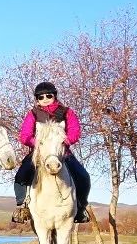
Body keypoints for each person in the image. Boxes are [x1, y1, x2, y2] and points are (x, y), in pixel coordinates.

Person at [12, 81, 91, 224]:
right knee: (20, 176)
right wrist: (38, 143)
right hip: (40, 152)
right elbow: (24, 135)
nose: (45, 99)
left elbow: (75, 131)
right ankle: (21, 206)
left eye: (48, 95)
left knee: (83, 176)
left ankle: (80, 208)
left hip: (62, 152)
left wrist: (64, 142)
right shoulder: (33, 114)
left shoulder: (67, 112)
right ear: (37, 99)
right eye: (40, 97)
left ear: (54, 95)